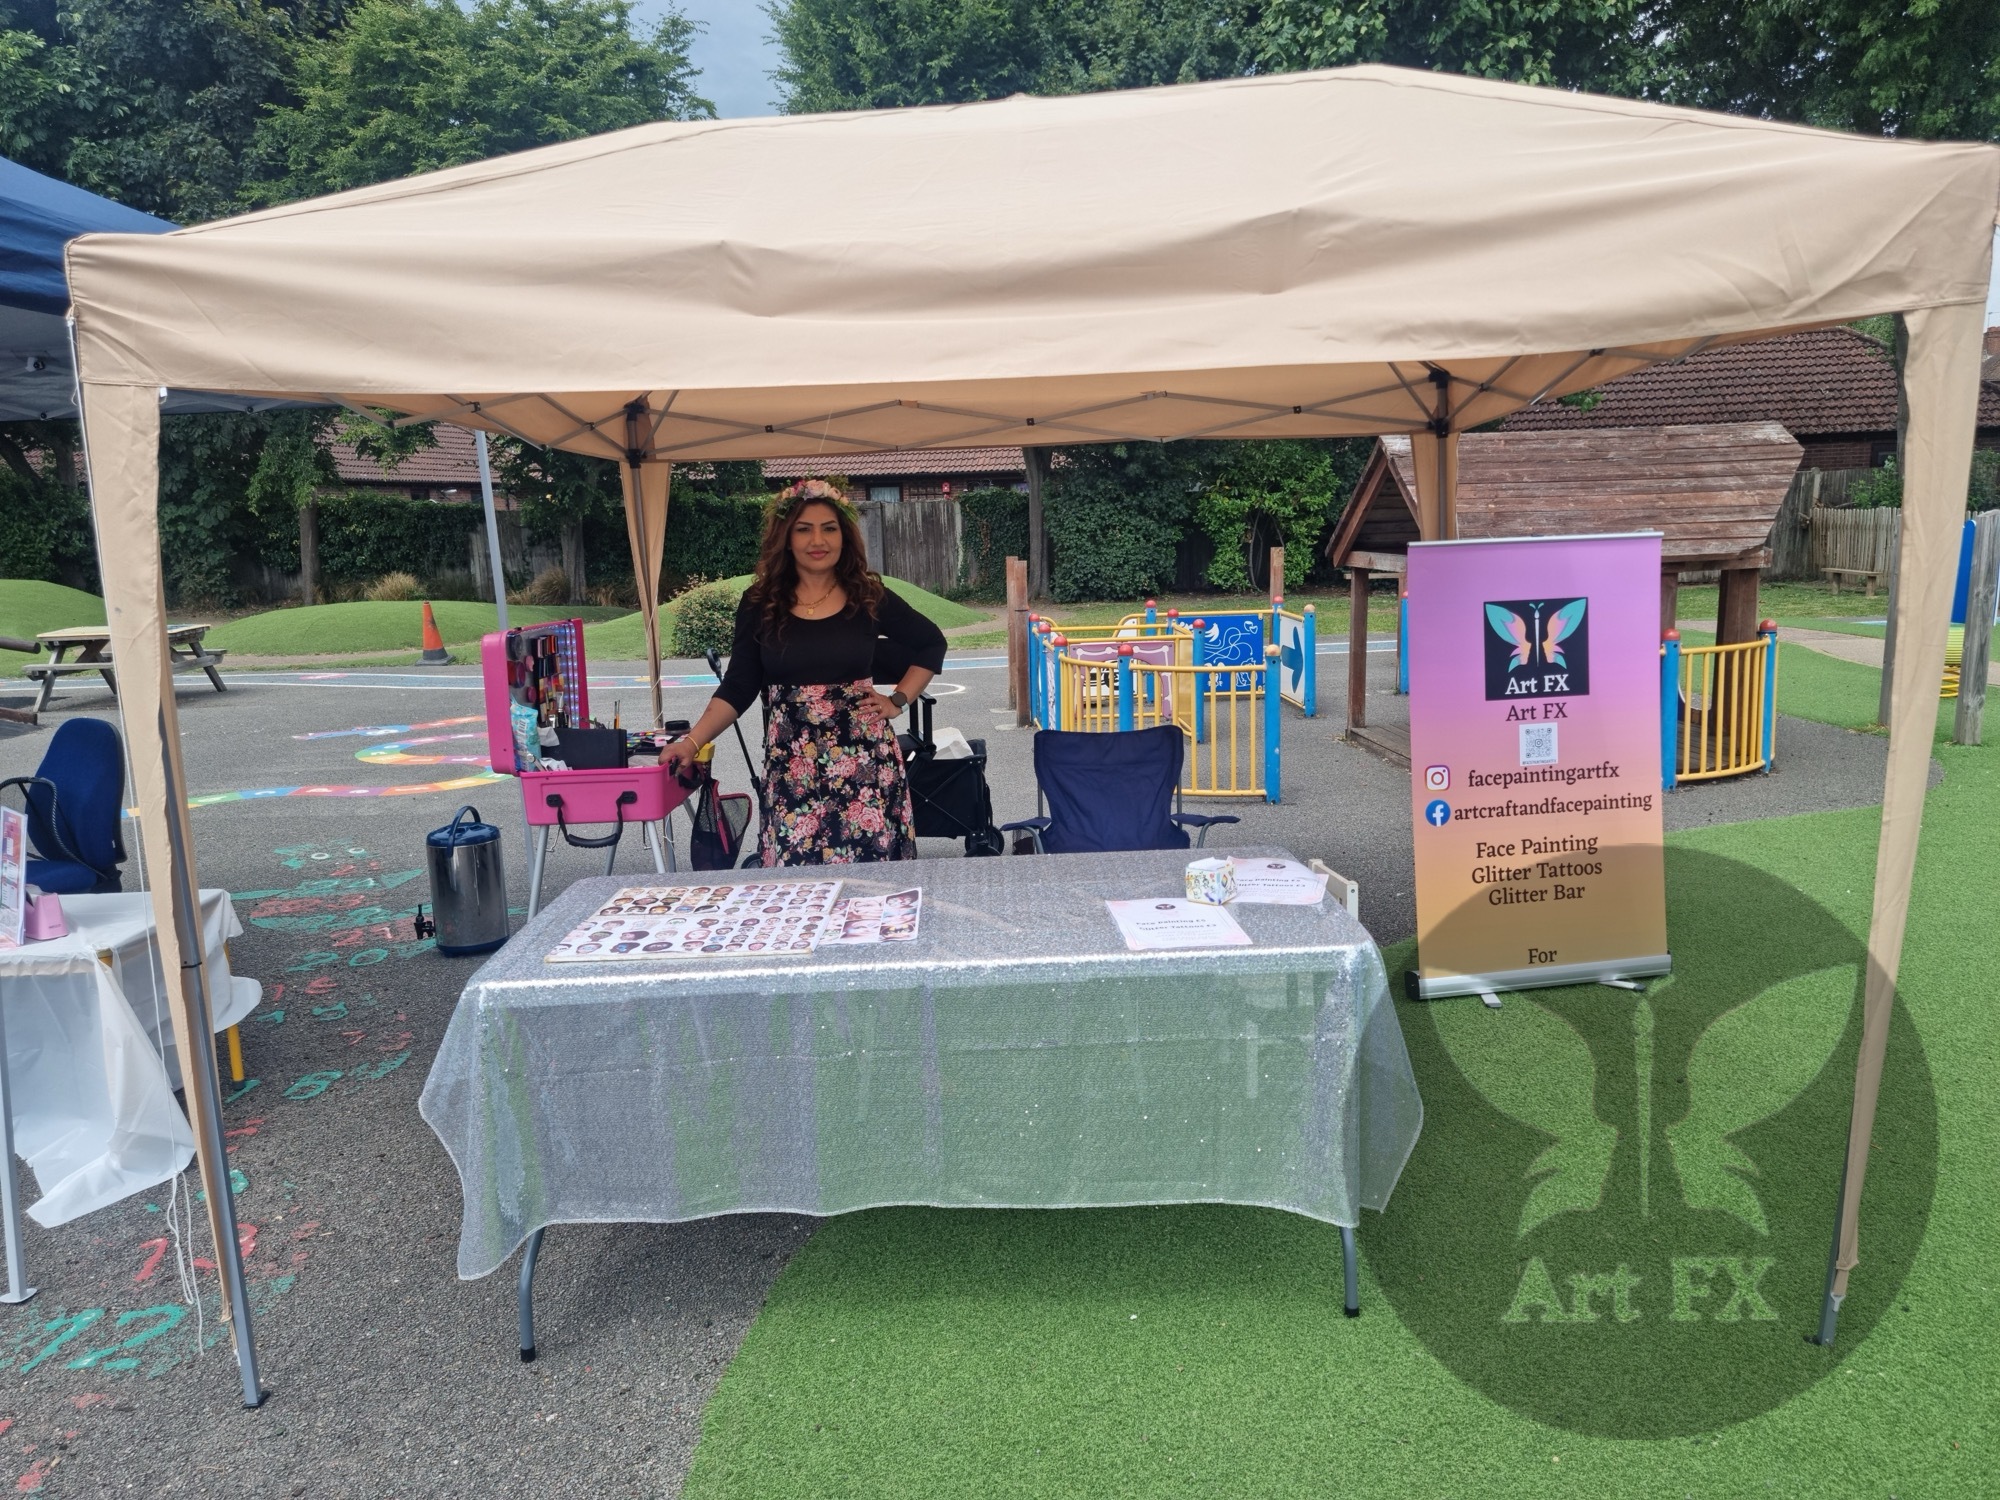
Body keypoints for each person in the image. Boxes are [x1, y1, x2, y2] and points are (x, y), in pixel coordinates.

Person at [663, 480, 946, 866]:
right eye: (804, 528)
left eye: (829, 528)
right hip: (791, 768)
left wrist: (897, 699)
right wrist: (691, 743)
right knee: (795, 882)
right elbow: (740, 685)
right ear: (787, 537)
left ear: (844, 536)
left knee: (870, 880)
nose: (819, 539)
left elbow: (931, 643)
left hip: (863, 764)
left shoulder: (868, 595)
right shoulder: (760, 603)